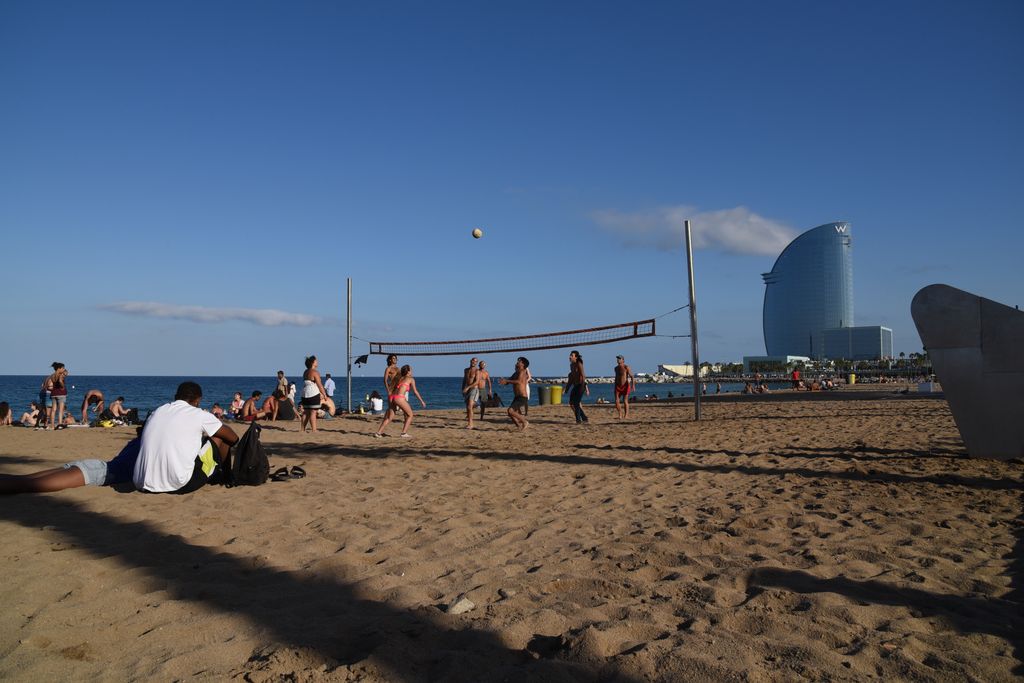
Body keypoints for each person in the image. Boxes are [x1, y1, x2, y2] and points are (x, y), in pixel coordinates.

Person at [0, 381, 239, 495]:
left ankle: (13, 481)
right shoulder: (197, 414)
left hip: (136, 478)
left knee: (74, 469)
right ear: (197, 400)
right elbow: (233, 438)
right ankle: (225, 477)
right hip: (166, 482)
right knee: (220, 439)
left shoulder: (158, 412)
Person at [374, 365, 425, 438]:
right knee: (410, 415)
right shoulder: (411, 379)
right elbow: (415, 392)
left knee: (389, 417)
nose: (412, 371)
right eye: (411, 370)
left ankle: (378, 433)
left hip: (392, 397)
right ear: (408, 371)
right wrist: (422, 401)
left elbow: (392, 386)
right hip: (399, 398)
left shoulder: (399, 378)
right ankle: (403, 433)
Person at [498, 357, 530, 431]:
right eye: (518, 361)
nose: (517, 362)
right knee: (510, 413)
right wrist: (504, 381)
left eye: (519, 361)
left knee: (510, 411)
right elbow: (509, 381)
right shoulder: (515, 373)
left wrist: (507, 380)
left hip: (522, 397)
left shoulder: (523, 371)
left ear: (523, 364)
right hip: (517, 397)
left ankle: (525, 422)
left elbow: (518, 381)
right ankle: (518, 426)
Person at [300, 355, 328, 433]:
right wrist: (324, 394)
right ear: (313, 363)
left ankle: (302, 429)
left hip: (304, 393)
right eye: (316, 361)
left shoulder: (305, 372)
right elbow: (319, 385)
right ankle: (314, 429)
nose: (317, 362)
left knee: (306, 412)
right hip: (313, 393)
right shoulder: (315, 372)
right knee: (313, 412)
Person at [564, 350, 589, 424]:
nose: (570, 357)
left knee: (576, 403)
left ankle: (578, 420)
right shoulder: (571, 365)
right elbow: (571, 378)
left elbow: (583, 375)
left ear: (576, 357)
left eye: (572, 355)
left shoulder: (579, 364)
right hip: (575, 386)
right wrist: (567, 389)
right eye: (570, 355)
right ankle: (584, 417)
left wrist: (582, 387)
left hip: (581, 385)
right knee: (571, 403)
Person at [613, 355, 635, 419]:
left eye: (619, 359)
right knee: (616, 401)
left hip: (625, 386)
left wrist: (633, 385)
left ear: (623, 360)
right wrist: (615, 385)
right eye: (617, 359)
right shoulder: (616, 368)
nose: (618, 360)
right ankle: (620, 414)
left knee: (625, 400)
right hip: (617, 386)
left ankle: (626, 415)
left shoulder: (626, 367)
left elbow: (632, 376)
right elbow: (616, 377)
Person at [49, 364, 69, 428]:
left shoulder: (52, 375)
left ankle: (52, 425)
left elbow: (51, 384)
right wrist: (63, 386)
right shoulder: (60, 375)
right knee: (60, 410)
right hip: (60, 394)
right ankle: (60, 424)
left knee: (53, 410)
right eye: (63, 368)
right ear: (59, 368)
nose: (63, 369)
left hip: (53, 394)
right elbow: (60, 381)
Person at [462, 357, 480, 429]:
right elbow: (464, 380)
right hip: (467, 390)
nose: (474, 362)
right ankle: (476, 404)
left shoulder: (477, 371)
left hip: (474, 389)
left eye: (475, 361)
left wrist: (468, 387)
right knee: (468, 407)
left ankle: (470, 424)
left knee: (469, 406)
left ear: (476, 363)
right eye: (473, 360)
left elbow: (477, 382)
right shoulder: (466, 370)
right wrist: (463, 389)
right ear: (470, 361)